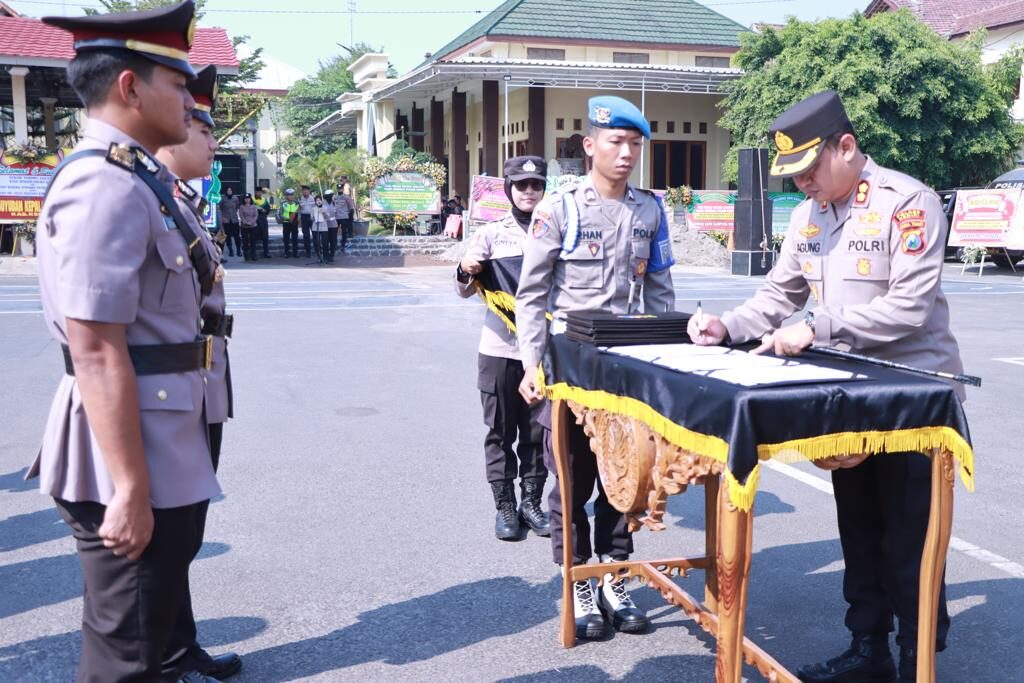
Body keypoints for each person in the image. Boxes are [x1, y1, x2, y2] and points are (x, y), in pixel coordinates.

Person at [688, 90, 963, 683]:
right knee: (858, 529)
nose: (803, 183)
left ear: (847, 147)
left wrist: (818, 326)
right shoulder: (809, 214)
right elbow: (778, 295)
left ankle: (919, 656)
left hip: (913, 400)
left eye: (810, 170)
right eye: (795, 174)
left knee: (910, 538)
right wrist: (726, 326)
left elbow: (909, 309)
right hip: (845, 398)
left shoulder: (906, 203)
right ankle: (869, 649)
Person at [30, 3, 223, 680]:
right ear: (129, 87)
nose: (188, 98)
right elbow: (96, 348)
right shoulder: (103, 184)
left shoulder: (134, 175)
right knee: (125, 659)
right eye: (176, 83)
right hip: (128, 451)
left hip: (155, 433)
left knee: (144, 645)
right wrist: (129, 485)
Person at [515, 96, 676, 639]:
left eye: (635, 144)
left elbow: (659, 294)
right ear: (591, 146)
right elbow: (531, 295)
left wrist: (667, 365)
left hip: (625, 371)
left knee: (624, 480)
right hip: (569, 369)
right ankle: (578, 578)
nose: (627, 153)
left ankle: (614, 575)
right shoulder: (559, 208)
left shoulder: (650, 210)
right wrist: (531, 364)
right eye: (616, 142)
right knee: (572, 480)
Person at [156, 63, 241, 682]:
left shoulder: (182, 200)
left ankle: (182, 648)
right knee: (167, 535)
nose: (213, 142)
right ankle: (163, 658)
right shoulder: (152, 196)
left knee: (187, 530)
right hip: (169, 389)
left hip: (201, 384)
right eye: (203, 128)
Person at [454, 156, 551, 542]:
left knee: (537, 432)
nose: (529, 191)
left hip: (541, 352)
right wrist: (465, 268)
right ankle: (505, 507)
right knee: (499, 432)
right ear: (508, 189)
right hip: (500, 349)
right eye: (522, 185)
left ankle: (531, 502)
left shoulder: (554, 232)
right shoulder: (491, 234)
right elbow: (462, 288)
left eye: (536, 185)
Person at [334, 182, 356, 253]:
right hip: (336, 217)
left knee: (344, 232)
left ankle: (343, 245)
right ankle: (334, 245)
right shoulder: (334, 197)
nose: (340, 190)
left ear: (343, 189)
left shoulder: (346, 197)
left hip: (344, 217)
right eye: (338, 189)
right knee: (334, 232)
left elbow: (351, 207)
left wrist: (350, 215)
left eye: (341, 189)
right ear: (337, 190)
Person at [219, 186, 241, 259]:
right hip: (226, 220)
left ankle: (238, 250)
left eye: (230, 190)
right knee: (227, 235)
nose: (229, 191)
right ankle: (230, 250)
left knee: (236, 235)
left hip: (234, 219)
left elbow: (237, 206)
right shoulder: (223, 198)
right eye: (228, 190)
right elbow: (220, 208)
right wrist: (223, 217)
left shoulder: (235, 198)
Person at [280, 188, 300, 258]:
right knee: (286, 239)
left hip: (294, 224)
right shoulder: (283, 204)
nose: (290, 196)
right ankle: (286, 253)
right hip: (286, 223)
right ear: (286, 196)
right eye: (288, 195)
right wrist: (287, 218)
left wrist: (298, 219)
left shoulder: (296, 203)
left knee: (295, 238)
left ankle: (295, 253)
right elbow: (280, 214)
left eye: (291, 195)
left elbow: (299, 213)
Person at [253, 187, 272, 258]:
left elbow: (268, 209)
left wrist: (265, 211)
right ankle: (254, 253)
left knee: (265, 237)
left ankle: (266, 252)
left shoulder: (264, 200)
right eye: (257, 192)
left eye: (260, 192)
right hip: (254, 220)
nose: (259, 193)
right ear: (255, 192)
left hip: (263, 220)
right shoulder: (252, 199)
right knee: (253, 237)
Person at [238, 193, 259, 261]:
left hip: (253, 226)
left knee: (253, 241)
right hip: (244, 226)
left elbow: (256, 215)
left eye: (248, 198)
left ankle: (253, 255)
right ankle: (246, 255)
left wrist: (251, 222)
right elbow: (241, 215)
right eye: (246, 198)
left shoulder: (254, 206)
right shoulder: (241, 206)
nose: (247, 200)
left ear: (250, 199)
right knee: (245, 241)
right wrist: (245, 222)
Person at [311, 194, 331, 264]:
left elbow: (328, 217)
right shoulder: (313, 208)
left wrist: (324, 212)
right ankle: (319, 257)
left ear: (321, 201)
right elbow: (311, 218)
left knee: (325, 242)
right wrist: (316, 215)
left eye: (319, 200)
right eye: (317, 200)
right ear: (315, 202)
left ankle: (325, 257)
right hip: (315, 227)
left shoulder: (325, 208)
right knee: (317, 243)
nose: (318, 201)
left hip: (324, 227)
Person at [298, 185, 316, 258]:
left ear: (309, 191)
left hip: (312, 218)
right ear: (302, 192)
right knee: (306, 235)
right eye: (304, 191)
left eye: (306, 191)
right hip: (304, 218)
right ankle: (308, 251)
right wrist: (299, 220)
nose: (305, 192)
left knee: (315, 234)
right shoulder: (300, 199)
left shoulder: (313, 199)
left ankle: (317, 249)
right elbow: (298, 210)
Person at [323, 191, 339, 263]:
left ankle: (332, 255)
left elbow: (337, 214)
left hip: (333, 225)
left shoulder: (334, 203)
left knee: (333, 241)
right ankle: (326, 255)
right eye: (330, 195)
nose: (331, 197)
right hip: (325, 225)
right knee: (325, 241)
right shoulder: (323, 204)